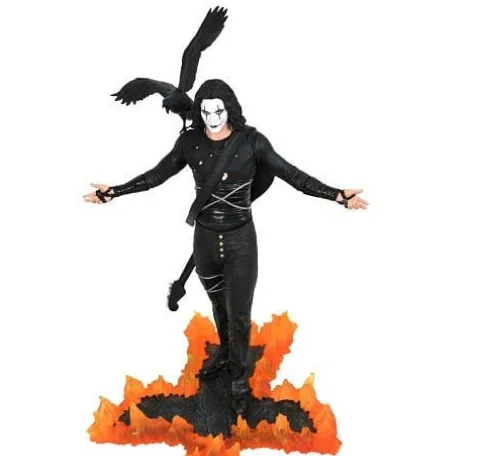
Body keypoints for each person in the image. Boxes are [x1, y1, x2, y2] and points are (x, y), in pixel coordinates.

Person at [83, 79, 369, 415]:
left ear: (229, 108)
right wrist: (115, 192)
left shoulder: (251, 141)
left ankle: (238, 382)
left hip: (240, 243)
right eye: (205, 112)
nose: (212, 118)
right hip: (204, 242)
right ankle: (225, 354)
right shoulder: (189, 142)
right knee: (219, 307)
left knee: (239, 317)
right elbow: (155, 176)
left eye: (218, 110)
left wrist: (337, 196)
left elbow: (294, 176)